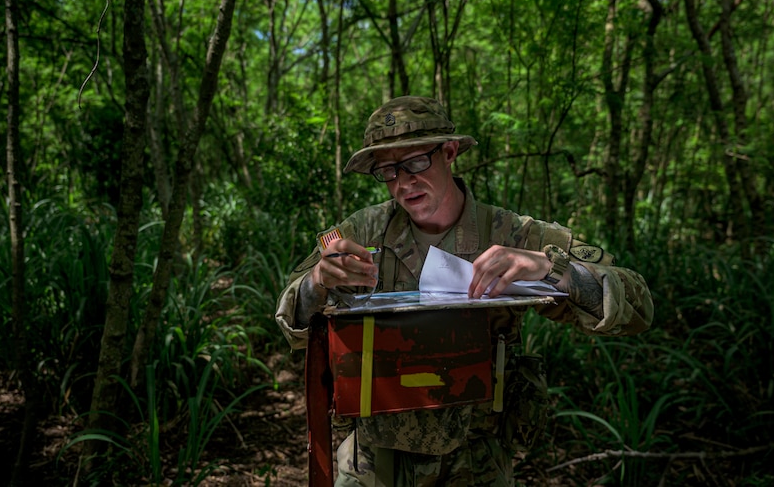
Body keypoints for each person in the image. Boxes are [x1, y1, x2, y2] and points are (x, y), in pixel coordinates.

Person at [276, 96, 654, 486]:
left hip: (476, 460)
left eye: (415, 162)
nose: (403, 183)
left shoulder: (512, 233)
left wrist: (554, 269)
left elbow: (638, 306)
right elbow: (291, 322)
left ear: (450, 152)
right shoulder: (363, 231)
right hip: (374, 457)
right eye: (387, 171)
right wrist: (317, 283)